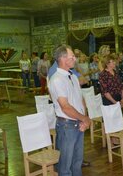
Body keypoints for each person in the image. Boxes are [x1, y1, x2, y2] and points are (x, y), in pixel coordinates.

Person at [48, 45, 91, 175]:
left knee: (77, 163)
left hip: (78, 123)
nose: (74, 58)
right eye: (71, 56)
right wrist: (84, 119)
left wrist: (84, 118)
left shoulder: (72, 76)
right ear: (62, 59)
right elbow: (65, 107)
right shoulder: (56, 79)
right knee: (65, 167)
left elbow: (80, 98)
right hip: (67, 126)